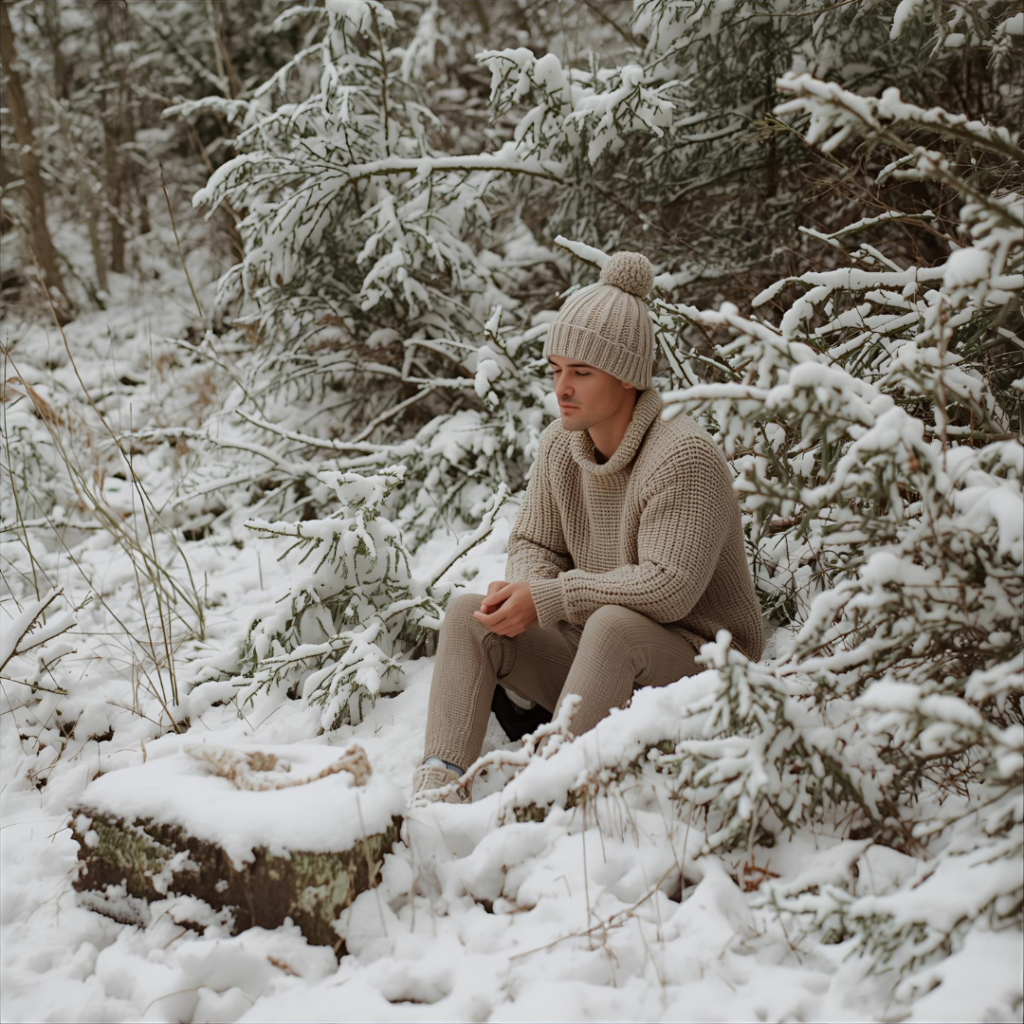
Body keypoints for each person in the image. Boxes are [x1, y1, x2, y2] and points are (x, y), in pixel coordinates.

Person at [412, 251, 764, 803]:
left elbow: (668, 588)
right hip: (600, 650)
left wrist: (550, 597)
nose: (563, 388)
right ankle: (435, 792)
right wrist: (522, 591)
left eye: (582, 372)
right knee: (468, 615)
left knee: (613, 626)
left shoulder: (683, 455)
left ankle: (539, 801)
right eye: (556, 370)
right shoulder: (561, 444)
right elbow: (533, 542)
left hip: (703, 662)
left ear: (627, 378)